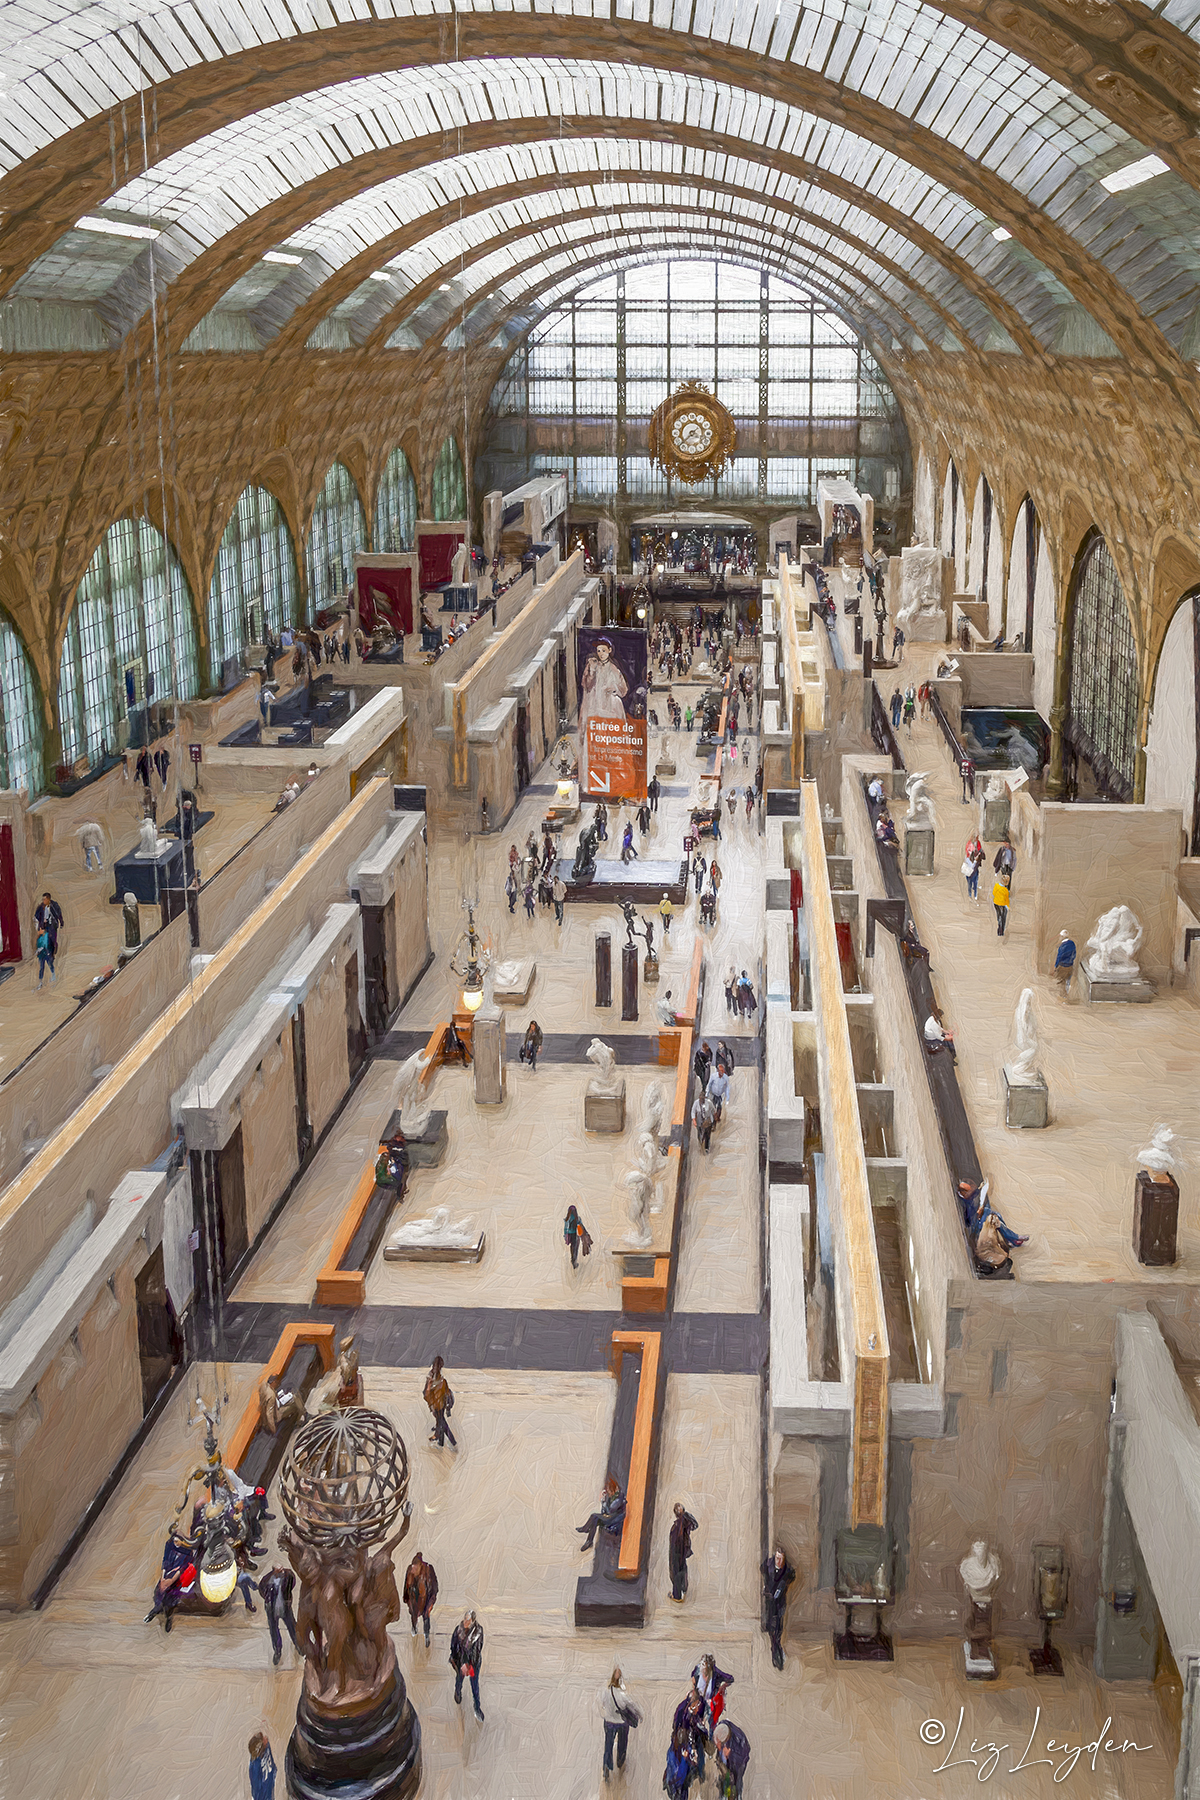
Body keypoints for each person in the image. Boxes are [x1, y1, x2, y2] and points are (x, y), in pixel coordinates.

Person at [599, 1667, 640, 1778]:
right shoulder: (622, 1694)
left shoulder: (606, 1692)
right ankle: (620, 1762)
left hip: (608, 1722)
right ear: (620, 1679)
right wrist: (639, 1715)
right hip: (621, 1723)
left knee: (608, 1745)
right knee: (622, 1743)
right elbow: (631, 1705)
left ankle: (607, 1767)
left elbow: (602, 1705)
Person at [258, 1560, 298, 1665]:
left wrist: (288, 1597)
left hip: (285, 1607)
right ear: (274, 1571)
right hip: (272, 1609)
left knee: (292, 1626)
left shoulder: (288, 1575)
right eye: (279, 1570)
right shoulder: (267, 1579)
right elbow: (261, 1588)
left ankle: (298, 1645)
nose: (282, 1571)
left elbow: (293, 1583)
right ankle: (277, 1650)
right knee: (274, 1630)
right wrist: (267, 1599)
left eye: (282, 1569)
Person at [762, 1547, 795, 1669]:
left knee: (778, 1626)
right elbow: (762, 1569)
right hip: (769, 1601)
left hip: (780, 1603)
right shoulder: (768, 1564)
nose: (779, 1561)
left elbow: (792, 1575)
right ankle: (775, 1648)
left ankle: (777, 1648)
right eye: (777, 1558)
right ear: (774, 1557)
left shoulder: (787, 1570)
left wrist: (785, 1584)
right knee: (771, 1625)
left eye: (781, 1559)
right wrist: (765, 1586)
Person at [449, 1610, 485, 1720]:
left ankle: (477, 1708)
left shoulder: (478, 1631)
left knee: (475, 1686)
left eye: (468, 1620)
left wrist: (469, 1665)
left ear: (473, 1621)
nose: (465, 1621)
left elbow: (477, 1650)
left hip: (473, 1663)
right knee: (459, 1679)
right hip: (460, 1661)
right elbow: (454, 1646)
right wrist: (461, 1663)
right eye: (465, 1618)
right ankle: (457, 1691)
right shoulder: (458, 1629)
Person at [577, 1474, 627, 1551]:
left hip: (614, 1520)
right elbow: (604, 1511)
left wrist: (603, 1501)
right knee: (594, 1518)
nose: (608, 1492)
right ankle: (588, 1538)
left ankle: (587, 1534)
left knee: (595, 1517)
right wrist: (604, 1503)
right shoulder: (614, 1496)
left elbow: (609, 1511)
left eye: (608, 1490)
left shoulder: (618, 1500)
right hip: (610, 1516)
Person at [673, 1681, 710, 1781]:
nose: (697, 1708)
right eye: (695, 1706)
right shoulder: (684, 1711)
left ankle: (699, 1773)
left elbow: (704, 1713)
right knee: (685, 1759)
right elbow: (680, 1727)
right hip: (685, 1737)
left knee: (699, 1755)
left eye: (698, 1705)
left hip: (696, 1736)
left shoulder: (701, 1703)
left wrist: (702, 1723)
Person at [402, 1550, 438, 1646]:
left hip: (428, 1595)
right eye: (412, 1568)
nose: (413, 1570)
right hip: (415, 1595)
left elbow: (434, 1584)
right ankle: (414, 1628)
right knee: (414, 1612)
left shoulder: (428, 1569)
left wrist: (433, 1596)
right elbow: (406, 1584)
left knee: (426, 1614)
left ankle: (426, 1636)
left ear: (419, 1566)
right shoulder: (410, 1570)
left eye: (415, 1568)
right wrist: (405, 1596)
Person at [423, 1355, 456, 1448]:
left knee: (443, 1424)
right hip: (437, 1404)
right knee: (441, 1422)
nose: (434, 1367)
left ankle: (452, 1442)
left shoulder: (439, 1380)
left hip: (439, 1405)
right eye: (434, 1365)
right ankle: (441, 1443)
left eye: (436, 1366)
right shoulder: (435, 1378)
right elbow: (427, 1393)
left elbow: (429, 1392)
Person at [668, 1502, 699, 1603]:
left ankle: (677, 1595)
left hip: (678, 1550)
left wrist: (685, 1514)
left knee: (677, 1570)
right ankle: (683, 1590)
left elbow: (695, 1524)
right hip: (679, 1550)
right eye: (677, 1509)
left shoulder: (683, 1522)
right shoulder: (681, 1523)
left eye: (679, 1508)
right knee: (681, 1569)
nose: (678, 1510)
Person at [713, 1720, 752, 1800]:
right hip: (727, 1759)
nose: (718, 1747)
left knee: (735, 1783)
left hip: (738, 1761)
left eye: (720, 1744)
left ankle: (736, 1797)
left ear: (726, 1739)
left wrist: (730, 1754)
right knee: (724, 1780)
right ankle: (723, 1796)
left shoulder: (739, 1740)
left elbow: (744, 1755)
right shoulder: (722, 1727)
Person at [257, 1372, 303, 1436]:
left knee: (290, 1395)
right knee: (294, 1404)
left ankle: (301, 1414)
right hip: (277, 1415)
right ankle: (299, 1419)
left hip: (276, 1404)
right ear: (273, 1382)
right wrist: (274, 1430)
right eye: (277, 1382)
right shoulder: (271, 1396)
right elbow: (269, 1414)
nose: (278, 1384)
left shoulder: (264, 1386)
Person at [665, 1725, 697, 1798]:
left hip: (682, 1784)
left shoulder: (683, 1747)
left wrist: (693, 1758)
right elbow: (679, 1778)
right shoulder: (672, 1755)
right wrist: (684, 1759)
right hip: (675, 1787)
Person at [34, 891, 63, 959]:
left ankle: (52, 953)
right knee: (46, 939)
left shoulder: (54, 905)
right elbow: (36, 916)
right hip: (44, 925)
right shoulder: (41, 907)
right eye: (43, 899)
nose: (43, 900)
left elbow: (59, 914)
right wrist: (39, 924)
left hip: (53, 925)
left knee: (52, 940)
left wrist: (61, 922)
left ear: (48, 899)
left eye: (44, 899)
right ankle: (47, 952)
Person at [248, 1732, 276, 1800]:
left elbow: (271, 1763)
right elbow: (257, 1790)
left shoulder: (266, 1749)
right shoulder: (255, 1766)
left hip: (269, 1790)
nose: (266, 1738)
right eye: (263, 1739)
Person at [563, 1203, 592, 1268]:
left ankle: (572, 1258)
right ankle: (574, 1260)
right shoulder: (577, 1218)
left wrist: (565, 1235)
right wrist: (585, 1233)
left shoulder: (567, 1219)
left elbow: (565, 1228)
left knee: (572, 1247)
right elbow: (581, 1226)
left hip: (570, 1235)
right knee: (575, 1247)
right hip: (576, 1235)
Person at [692, 1088, 716, 1153]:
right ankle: (700, 1143)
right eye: (701, 1098)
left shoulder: (709, 1102)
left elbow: (713, 1110)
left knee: (707, 1134)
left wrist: (714, 1121)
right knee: (700, 1133)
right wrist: (694, 1120)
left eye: (703, 1099)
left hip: (707, 1120)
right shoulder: (696, 1103)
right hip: (700, 1121)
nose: (702, 1100)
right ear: (699, 1098)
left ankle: (706, 1148)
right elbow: (693, 1112)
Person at [963, 834, 985, 902]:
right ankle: (972, 894)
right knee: (972, 882)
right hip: (971, 869)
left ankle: (973, 894)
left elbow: (981, 854)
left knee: (973, 882)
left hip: (973, 869)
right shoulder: (970, 845)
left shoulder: (977, 844)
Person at [1054, 928, 1077, 993]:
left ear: (1062, 937)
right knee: (1068, 981)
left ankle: (1063, 996)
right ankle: (1067, 994)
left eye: (1060, 936)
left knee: (1061, 982)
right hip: (1070, 966)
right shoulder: (1072, 943)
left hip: (1062, 966)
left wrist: (1056, 966)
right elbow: (1074, 954)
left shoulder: (1062, 946)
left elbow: (1059, 957)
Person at [993, 872, 1010, 937]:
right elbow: (1007, 900)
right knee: (1003, 917)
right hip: (1003, 904)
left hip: (996, 903)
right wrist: (1008, 906)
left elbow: (994, 893)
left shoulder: (996, 885)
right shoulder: (1005, 890)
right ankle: (1001, 930)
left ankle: (999, 929)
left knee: (999, 916)